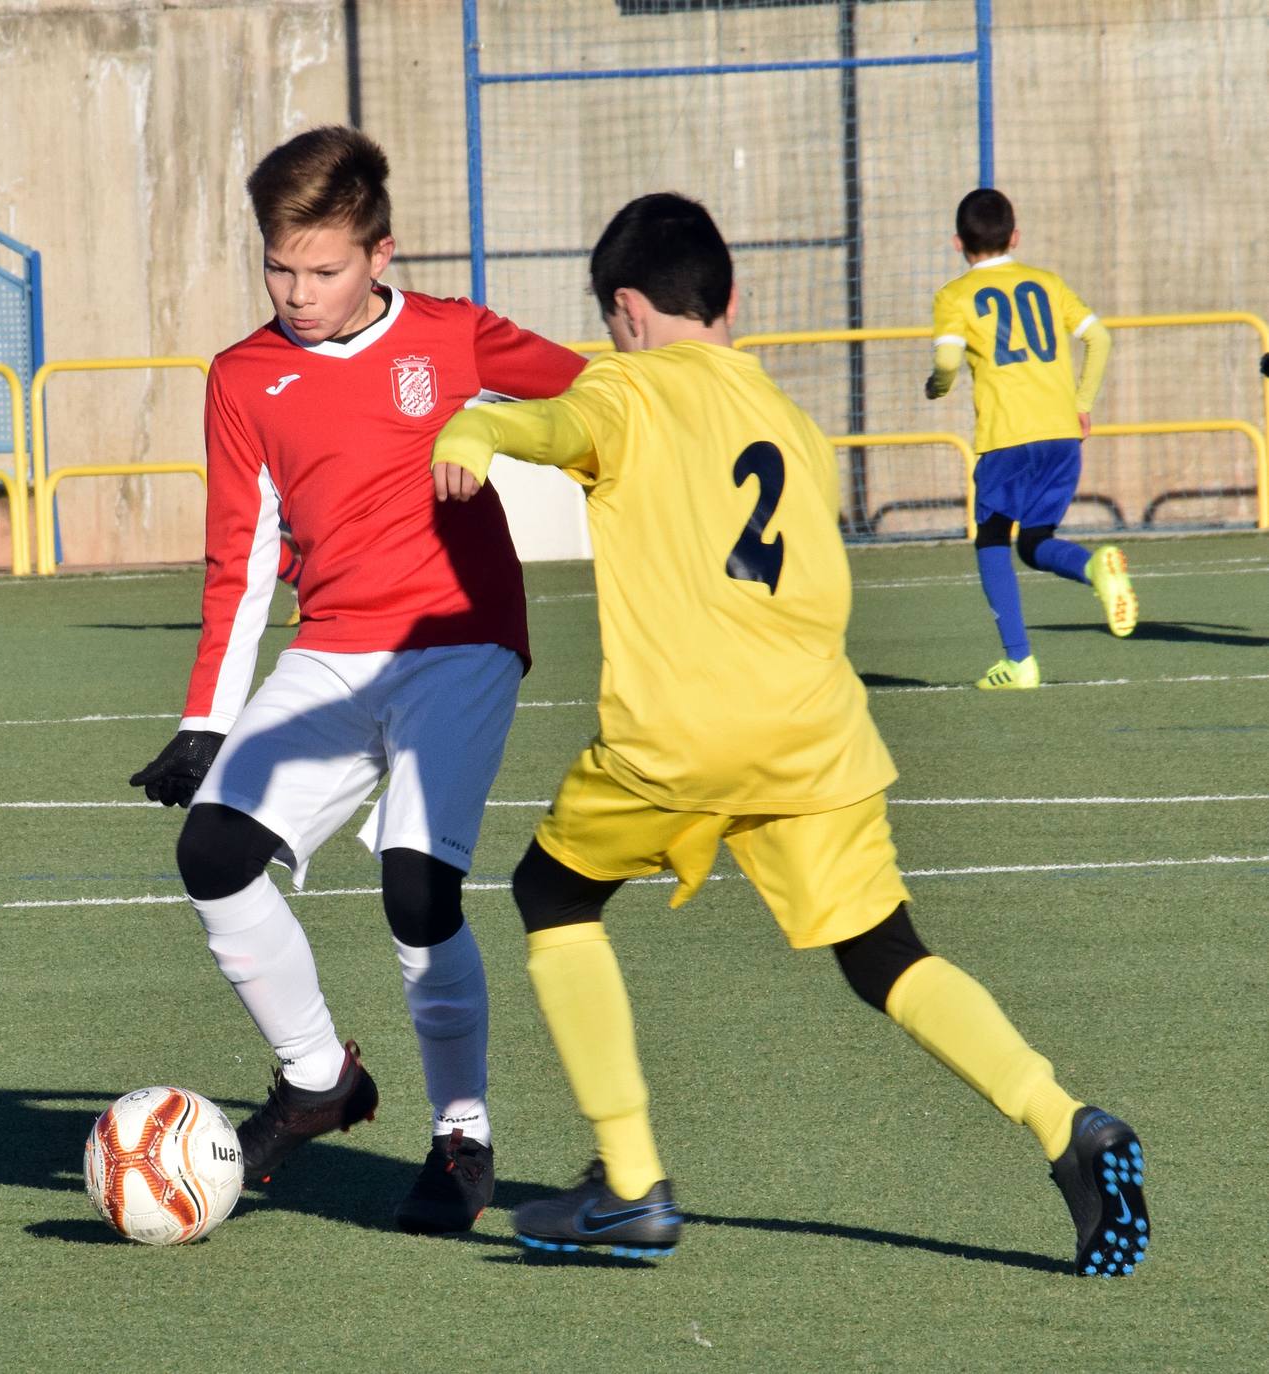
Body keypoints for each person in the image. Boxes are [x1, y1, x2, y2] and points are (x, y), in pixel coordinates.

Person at [431, 192, 1149, 1275]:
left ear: (625, 310)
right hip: (815, 731)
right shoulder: (787, 417)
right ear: (725, 302)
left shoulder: (622, 387)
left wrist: (477, 424)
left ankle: (630, 1185)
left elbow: (553, 426)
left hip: (681, 733)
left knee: (552, 893)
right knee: (884, 953)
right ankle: (1065, 1125)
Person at [128, 126, 585, 1233]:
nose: (297, 290)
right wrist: (206, 718)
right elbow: (238, 552)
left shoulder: (455, 335)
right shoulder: (244, 376)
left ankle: (463, 1135)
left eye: (323, 268)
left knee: (417, 891)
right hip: (332, 647)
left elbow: (594, 405)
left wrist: (493, 419)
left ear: (383, 253)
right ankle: (319, 1076)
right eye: (278, 266)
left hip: (463, 642)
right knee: (213, 852)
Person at [925, 188, 1133, 691]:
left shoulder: (954, 296)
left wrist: (938, 386)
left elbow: (949, 362)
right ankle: (1094, 569)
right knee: (1034, 540)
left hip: (1007, 438)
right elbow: (1099, 338)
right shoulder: (1046, 282)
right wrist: (1081, 405)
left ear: (958, 242)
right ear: (1015, 236)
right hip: (1061, 435)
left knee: (993, 538)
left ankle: (1020, 663)